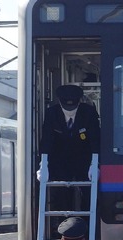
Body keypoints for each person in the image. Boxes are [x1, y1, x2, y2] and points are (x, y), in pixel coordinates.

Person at [38, 84, 101, 223]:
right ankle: (63, 227)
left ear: (79, 101)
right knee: (61, 195)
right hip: (60, 161)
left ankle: (87, 227)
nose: (70, 109)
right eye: (66, 105)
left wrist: (94, 163)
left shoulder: (88, 113)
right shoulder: (52, 113)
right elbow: (47, 140)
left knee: (88, 195)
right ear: (60, 101)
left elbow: (95, 139)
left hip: (84, 160)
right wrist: (44, 164)